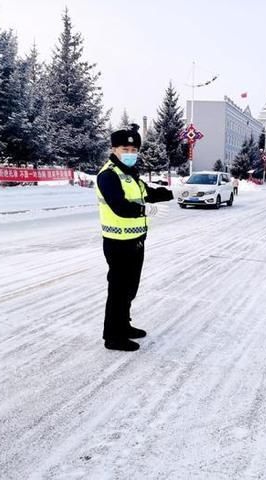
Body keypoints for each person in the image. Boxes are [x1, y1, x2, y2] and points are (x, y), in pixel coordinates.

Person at [95, 124, 174, 351]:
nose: (130, 153)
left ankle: (124, 325)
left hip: (136, 240)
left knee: (130, 288)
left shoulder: (130, 175)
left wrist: (172, 193)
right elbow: (119, 205)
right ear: (114, 149)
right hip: (117, 242)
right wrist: (143, 210)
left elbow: (148, 192)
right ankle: (113, 336)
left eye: (134, 149)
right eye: (125, 149)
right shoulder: (109, 175)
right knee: (118, 290)